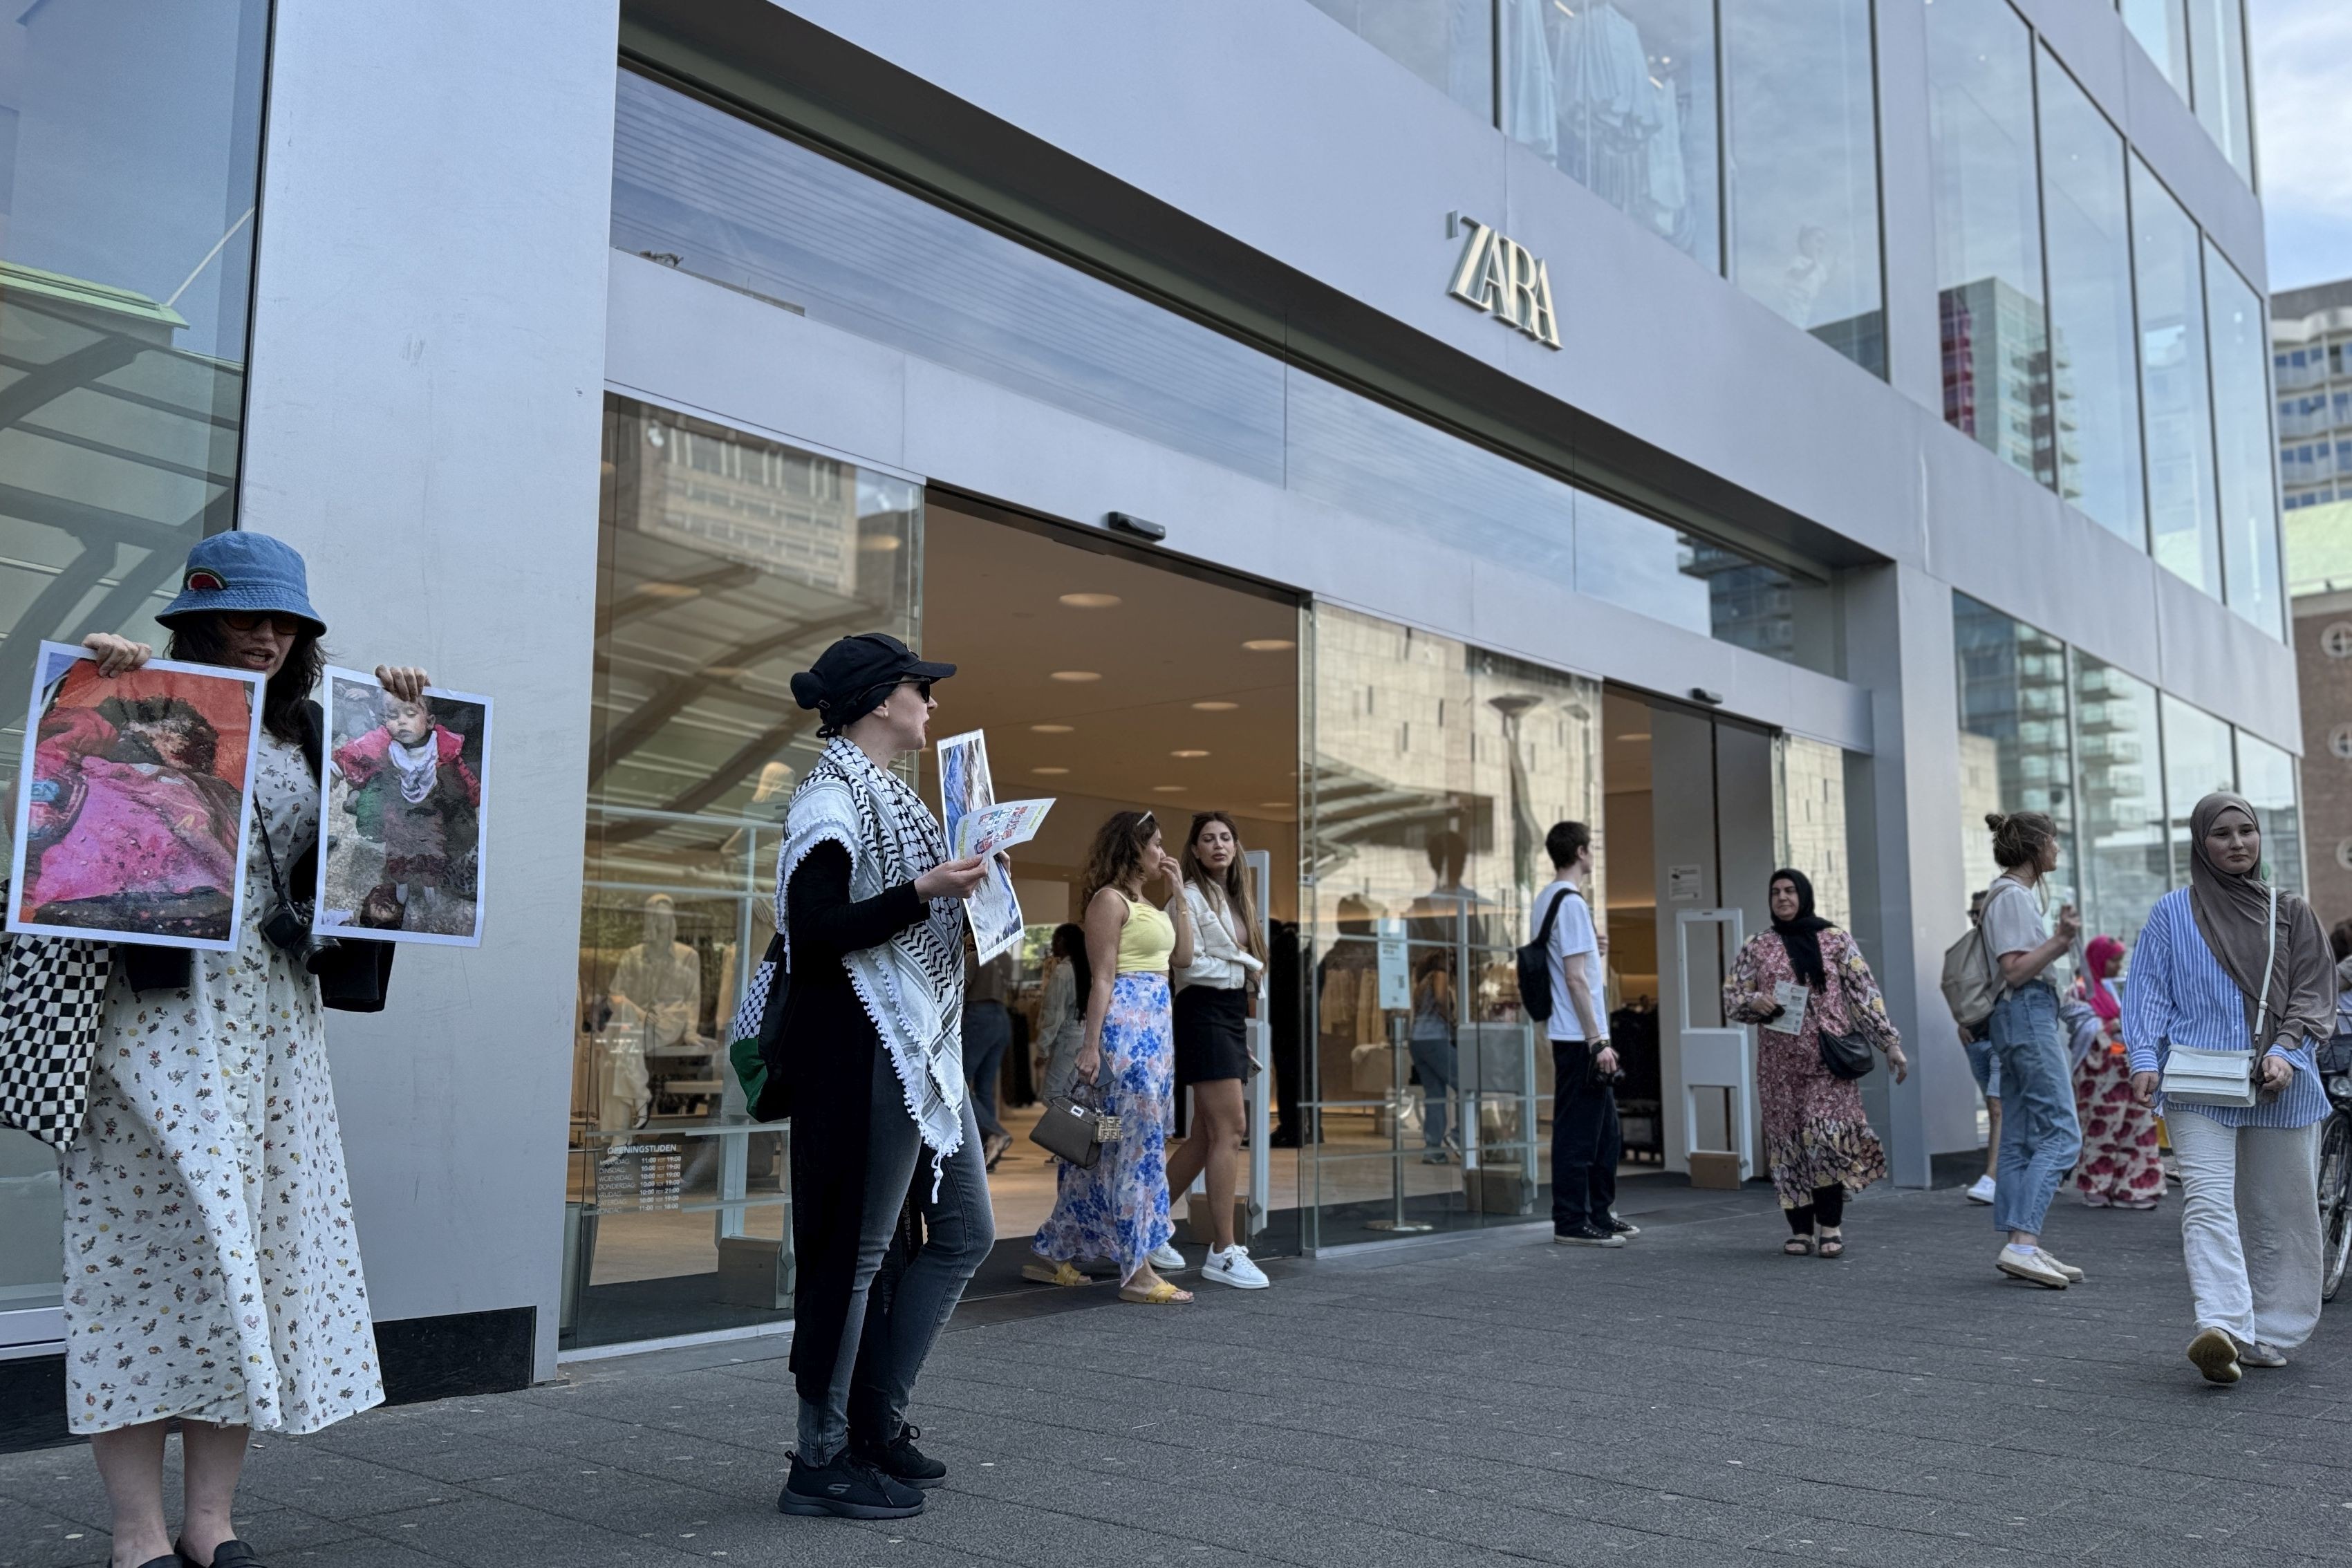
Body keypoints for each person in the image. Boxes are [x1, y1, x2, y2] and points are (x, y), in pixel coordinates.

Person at [61, 530, 411, 1568]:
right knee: (132, 1264)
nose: (265, 636)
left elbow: (391, 851)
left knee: (249, 1265)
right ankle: (136, 1536)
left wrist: (404, 729)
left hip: (270, 1024)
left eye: (284, 620)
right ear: (197, 620)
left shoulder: (319, 735)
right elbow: (43, 828)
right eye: (243, 617)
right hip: (152, 1015)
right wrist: (89, 693)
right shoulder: (138, 703)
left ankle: (211, 1524)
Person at [763, 632, 993, 1519]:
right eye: (918, 690)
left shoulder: (890, 794)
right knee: (852, 1254)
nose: (931, 704)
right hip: (864, 1040)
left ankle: (874, 1421)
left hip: (918, 1042)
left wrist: (966, 890)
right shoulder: (830, 795)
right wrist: (925, 891)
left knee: (965, 1231)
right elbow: (813, 927)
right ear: (876, 702)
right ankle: (820, 1457)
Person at [2124, 793, 2337, 1383]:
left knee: (2282, 1211)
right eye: (2222, 834)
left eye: (2247, 831)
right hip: (2197, 1082)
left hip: (2282, 1083)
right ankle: (2222, 1326)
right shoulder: (2171, 912)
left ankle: (2273, 1331)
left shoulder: (2291, 911)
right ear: (2200, 843)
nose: (2237, 843)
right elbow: (2147, 991)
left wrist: (2287, 1050)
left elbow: (2315, 993)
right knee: (2207, 1201)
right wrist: (2143, 1057)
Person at [1028, 810, 1196, 1303]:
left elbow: (1183, 958)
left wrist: (1180, 894)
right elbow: (1101, 978)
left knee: (1104, 1150)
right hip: (1125, 1036)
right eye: (1156, 844)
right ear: (1133, 847)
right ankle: (1138, 1269)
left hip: (1155, 1033)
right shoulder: (1109, 900)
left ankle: (1050, 1250)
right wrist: (1090, 1045)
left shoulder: (1149, 901)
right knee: (1135, 1149)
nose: (1163, 852)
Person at [1723, 870, 1910, 1258]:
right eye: (1775, 892)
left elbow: (1864, 994)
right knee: (1788, 1144)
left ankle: (1832, 1225)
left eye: (1790, 891)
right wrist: (1752, 1001)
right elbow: (1732, 997)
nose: (1783, 898)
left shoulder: (1836, 940)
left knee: (1823, 1138)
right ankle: (1801, 1230)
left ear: (1804, 895)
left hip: (1828, 1061)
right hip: (1778, 1067)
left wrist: (1889, 1043)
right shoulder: (1758, 945)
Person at [1978, 811, 2086, 1290]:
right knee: (2063, 1133)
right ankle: (2022, 1244)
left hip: (2015, 1016)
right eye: (2055, 841)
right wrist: (2061, 942)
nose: (2058, 849)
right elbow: (2017, 970)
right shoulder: (2013, 897)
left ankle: (2023, 1244)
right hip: (2026, 1013)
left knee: (2021, 1135)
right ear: (2036, 846)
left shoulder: (2008, 896)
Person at [1166, 811, 1272, 1290]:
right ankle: (1224, 1250)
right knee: (1233, 1128)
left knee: (1207, 1136)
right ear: (1194, 848)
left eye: (1226, 838)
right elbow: (1187, 965)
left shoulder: (1236, 898)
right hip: (1203, 1011)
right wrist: (1244, 967)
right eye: (1208, 839)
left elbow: (1240, 964)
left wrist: (1245, 969)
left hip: (1228, 1013)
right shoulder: (1185, 897)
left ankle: (1145, 1227)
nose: (1218, 846)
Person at [1536, 821, 1631, 1247]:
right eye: (1591, 847)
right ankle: (1571, 1221)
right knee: (1579, 1131)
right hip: (1579, 1036)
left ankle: (1599, 1212)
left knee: (1605, 1132)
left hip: (1574, 1032)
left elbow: (1567, 962)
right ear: (1579, 852)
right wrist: (1599, 1041)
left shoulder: (1547, 899)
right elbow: (1574, 979)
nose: (1593, 854)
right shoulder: (1570, 902)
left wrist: (1595, 948)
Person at [328, 688, 480, 934]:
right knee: (399, 850)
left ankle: (429, 884)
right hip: (396, 813)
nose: (401, 721)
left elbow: (464, 775)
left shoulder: (442, 746)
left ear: (430, 721)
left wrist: (476, 799)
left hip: (432, 814)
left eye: (410, 714)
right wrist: (335, 769)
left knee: (432, 849)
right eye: (392, 715)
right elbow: (359, 750)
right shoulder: (384, 742)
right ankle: (402, 883)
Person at [2071, 935, 2161, 1209]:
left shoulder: (2120, 988)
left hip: (2128, 1068)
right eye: (2113, 960)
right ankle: (2097, 1184)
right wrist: (2109, 1027)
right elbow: (2077, 1022)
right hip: (2098, 1074)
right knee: (2102, 1127)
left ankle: (2132, 1187)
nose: (2117, 966)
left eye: (2120, 961)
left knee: (2137, 1126)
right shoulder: (2080, 989)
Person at [1956, 889, 2002, 1205]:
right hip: (1976, 1041)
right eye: (1972, 913)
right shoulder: (1968, 949)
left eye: (1980, 912)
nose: (1975, 918)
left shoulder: (2007, 945)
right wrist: (1960, 1021)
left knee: (1999, 1108)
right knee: (1995, 1107)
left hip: (2003, 1041)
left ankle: (1992, 1178)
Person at [962, 945, 1016, 1170]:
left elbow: (961, 990)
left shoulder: (974, 957)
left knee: (958, 1083)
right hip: (1001, 1019)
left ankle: (994, 1131)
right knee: (985, 1088)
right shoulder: (1006, 957)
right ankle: (990, 1153)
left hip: (978, 1016)